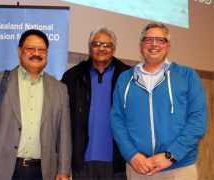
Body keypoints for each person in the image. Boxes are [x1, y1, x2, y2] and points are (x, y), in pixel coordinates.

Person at [111, 22, 207, 179]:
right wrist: (132, 155)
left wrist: (171, 155)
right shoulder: (124, 79)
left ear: (168, 46)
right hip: (139, 168)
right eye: (148, 39)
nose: (154, 44)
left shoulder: (187, 76)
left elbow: (197, 121)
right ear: (141, 45)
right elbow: (117, 121)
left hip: (179, 167)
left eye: (160, 40)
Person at [0, 29, 71, 179]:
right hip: (3, 169)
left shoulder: (60, 89)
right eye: (30, 48)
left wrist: (63, 170)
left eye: (42, 49)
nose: (36, 53)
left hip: (43, 172)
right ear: (19, 51)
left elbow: (64, 135)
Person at [61, 26, 130, 179]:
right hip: (82, 162)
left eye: (106, 45)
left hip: (118, 162)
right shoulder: (72, 77)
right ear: (89, 48)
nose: (101, 48)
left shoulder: (128, 76)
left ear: (113, 49)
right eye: (96, 44)